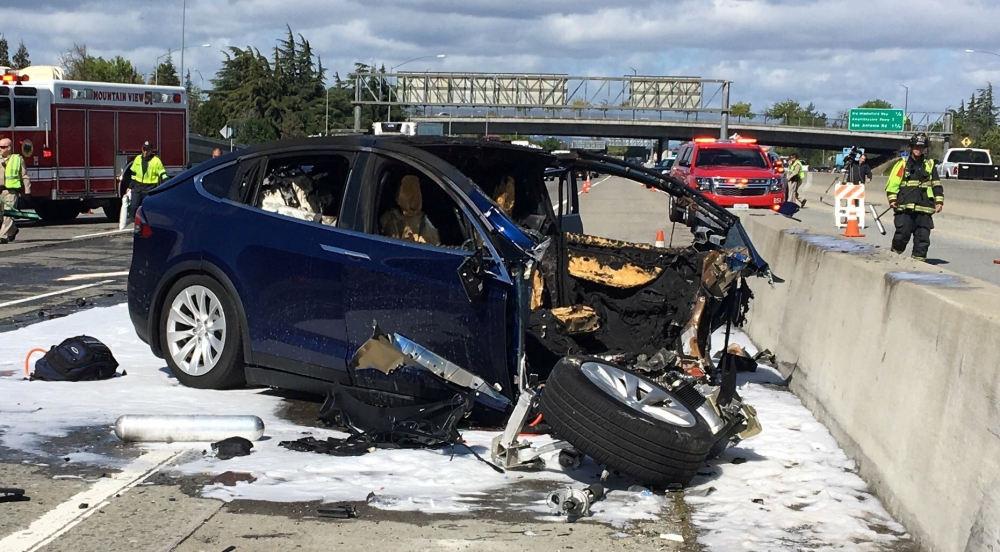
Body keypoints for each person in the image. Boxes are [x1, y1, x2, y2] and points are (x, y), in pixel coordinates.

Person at [886, 133, 943, 262]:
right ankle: (892, 259)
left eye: (922, 147)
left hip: (924, 208)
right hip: (904, 206)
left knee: (922, 240)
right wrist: (892, 199)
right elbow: (893, 183)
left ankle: (917, 266)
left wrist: (939, 200)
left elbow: (936, 184)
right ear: (911, 147)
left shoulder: (929, 164)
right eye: (916, 146)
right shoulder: (902, 164)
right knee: (902, 235)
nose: (919, 149)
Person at [379, 175, 440, 245]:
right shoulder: (390, 218)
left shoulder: (425, 223)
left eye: (415, 192)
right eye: (407, 191)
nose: (412, 199)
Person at [127, 141, 168, 222]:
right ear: (142, 149)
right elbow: (133, 175)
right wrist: (130, 187)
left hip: (150, 188)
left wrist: (168, 183)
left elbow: (163, 174)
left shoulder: (156, 161)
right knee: (133, 206)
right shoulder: (138, 159)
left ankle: (146, 222)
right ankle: (136, 221)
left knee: (147, 208)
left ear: (151, 150)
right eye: (144, 149)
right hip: (137, 187)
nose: (145, 152)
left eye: (148, 150)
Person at [1, 138, 30, 244]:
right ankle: (13, 230)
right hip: (0, 193)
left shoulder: (17, 159)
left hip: (11, 192)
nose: (0, 149)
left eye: (2, 147)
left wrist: (27, 191)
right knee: (1, 216)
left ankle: (2, 236)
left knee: (8, 214)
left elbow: (24, 176)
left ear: (9, 148)